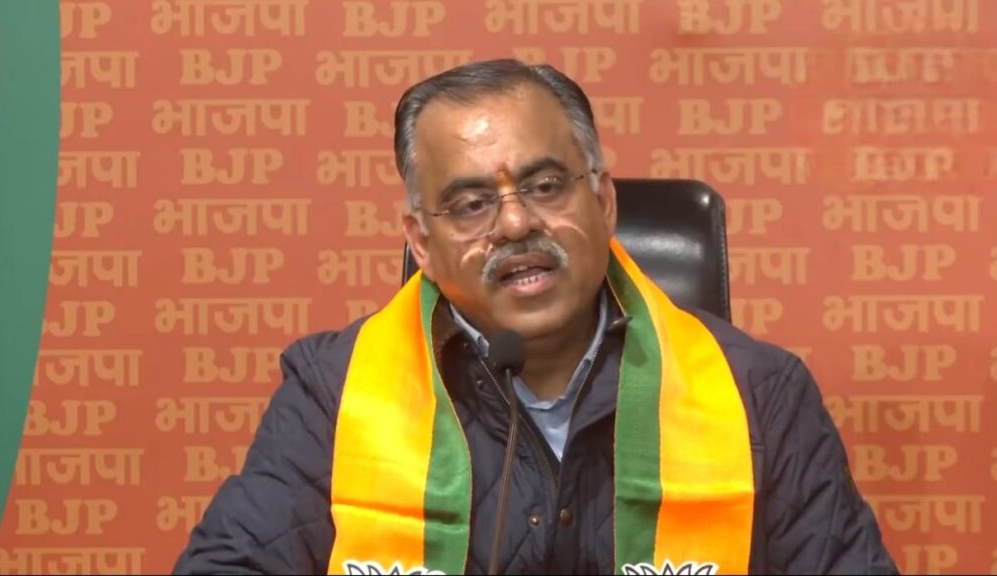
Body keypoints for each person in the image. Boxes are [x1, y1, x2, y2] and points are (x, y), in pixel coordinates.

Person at [173, 58, 898, 576]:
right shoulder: (333, 391)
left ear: (603, 203)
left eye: (547, 185)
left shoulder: (760, 394)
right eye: (470, 205)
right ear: (421, 244)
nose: (517, 223)